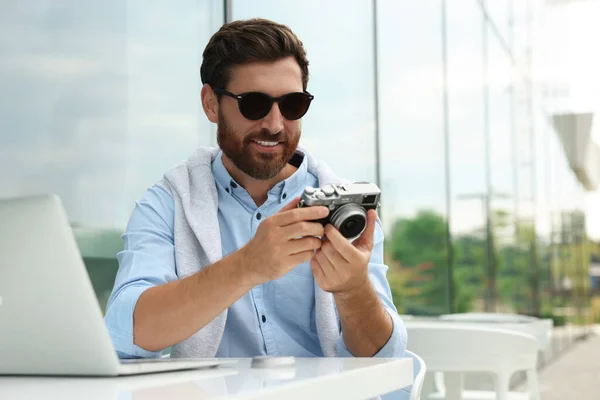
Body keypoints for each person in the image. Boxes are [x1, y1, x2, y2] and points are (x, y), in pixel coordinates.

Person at [104, 18, 407, 360]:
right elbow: (127, 331)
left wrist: (353, 290)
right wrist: (248, 265)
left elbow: (384, 362)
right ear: (210, 103)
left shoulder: (345, 209)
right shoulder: (167, 205)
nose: (275, 124)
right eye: (254, 104)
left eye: (292, 105)